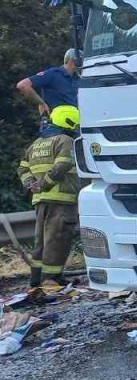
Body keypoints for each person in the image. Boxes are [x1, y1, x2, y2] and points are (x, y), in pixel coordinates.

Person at [16, 105, 83, 287]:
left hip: (40, 201)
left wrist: (31, 184)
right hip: (61, 200)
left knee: (41, 241)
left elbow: (22, 168)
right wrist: (44, 183)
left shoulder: (36, 143)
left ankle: (36, 279)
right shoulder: (65, 140)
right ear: (70, 121)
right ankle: (52, 280)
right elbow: (62, 166)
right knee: (58, 240)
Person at [14, 49, 81, 118]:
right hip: (54, 125)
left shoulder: (79, 79)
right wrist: (41, 103)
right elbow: (23, 85)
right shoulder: (53, 74)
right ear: (72, 61)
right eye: (80, 61)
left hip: (75, 125)